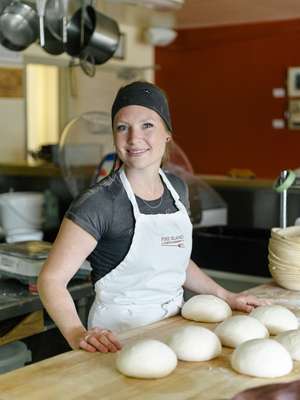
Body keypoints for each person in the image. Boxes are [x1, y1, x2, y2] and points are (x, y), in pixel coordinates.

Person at [38, 81, 267, 354]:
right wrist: (77, 333)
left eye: (147, 125)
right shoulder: (99, 203)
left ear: (167, 133)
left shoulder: (177, 188)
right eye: (123, 127)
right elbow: (51, 281)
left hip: (174, 330)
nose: (134, 138)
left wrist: (227, 296)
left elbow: (174, 260)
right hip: (118, 340)